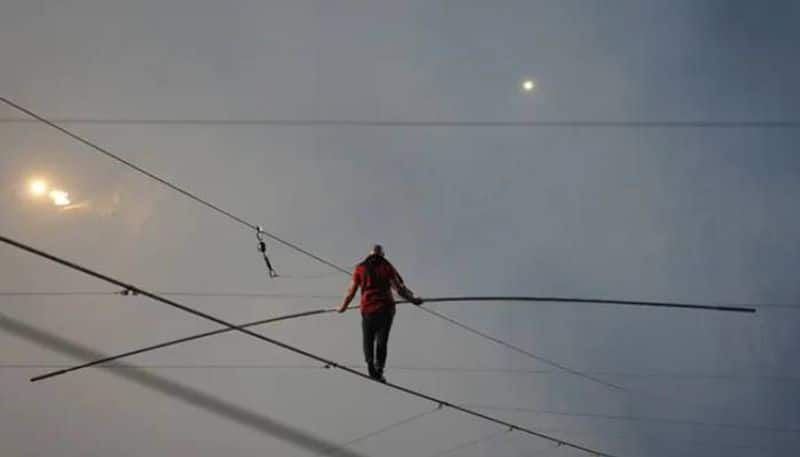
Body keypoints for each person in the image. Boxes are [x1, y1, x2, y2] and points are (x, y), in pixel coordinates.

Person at [337, 244, 423, 382]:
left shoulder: (360, 268)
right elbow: (399, 290)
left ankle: (370, 364)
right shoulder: (386, 267)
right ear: (382, 255)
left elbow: (350, 292)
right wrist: (413, 300)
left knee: (368, 338)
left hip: (367, 309)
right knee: (382, 340)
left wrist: (342, 307)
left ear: (369, 255)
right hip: (385, 308)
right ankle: (379, 368)